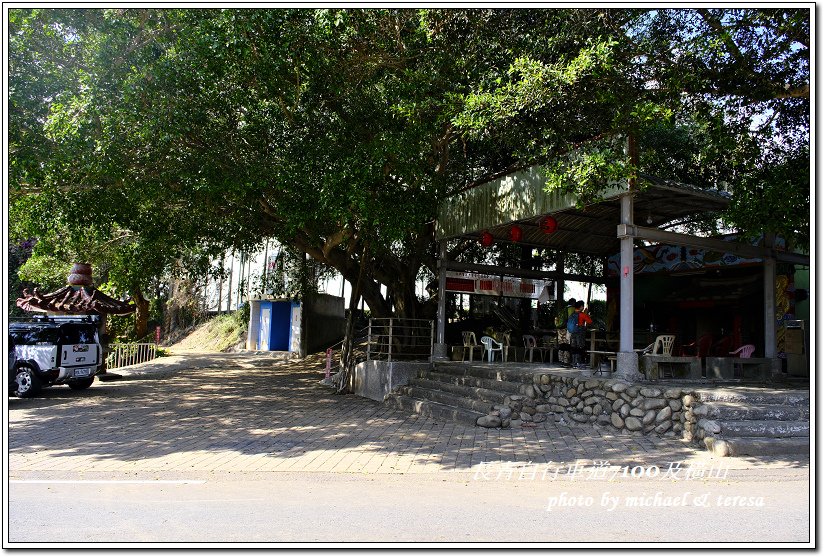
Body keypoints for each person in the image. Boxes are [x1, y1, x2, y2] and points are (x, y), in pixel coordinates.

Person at [567, 300, 593, 369]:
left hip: (572, 333)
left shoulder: (572, 314)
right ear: (581, 307)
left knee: (573, 347)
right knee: (580, 347)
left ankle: (574, 363)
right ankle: (579, 363)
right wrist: (587, 314)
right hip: (579, 333)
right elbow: (590, 321)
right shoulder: (582, 314)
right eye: (583, 306)